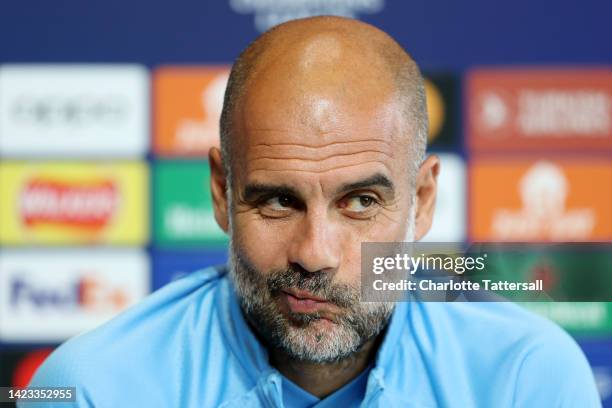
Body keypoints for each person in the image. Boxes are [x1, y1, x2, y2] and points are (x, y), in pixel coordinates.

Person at [25, 16, 600, 407]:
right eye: (278, 200)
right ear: (223, 193)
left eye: (360, 203)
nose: (314, 253)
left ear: (422, 201)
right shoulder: (90, 388)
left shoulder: (526, 380)